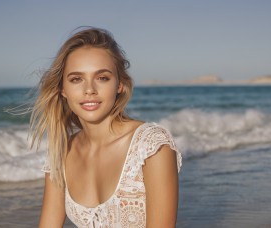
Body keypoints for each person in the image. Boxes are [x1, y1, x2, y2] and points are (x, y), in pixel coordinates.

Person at [30, 27, 182, 227]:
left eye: (102, 78)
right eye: (76, 79)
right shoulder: (61, 151)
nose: (89, 90)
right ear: (63, 89)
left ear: (119, 84)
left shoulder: (151, 146)